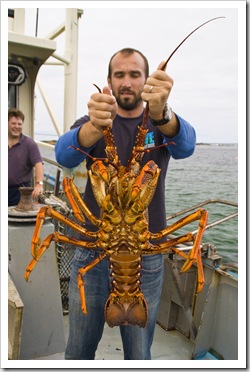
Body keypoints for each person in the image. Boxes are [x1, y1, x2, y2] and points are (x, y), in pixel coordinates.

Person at [55, 48, 196, 360]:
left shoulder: (160, 122)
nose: (127, 81)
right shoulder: (91, 122)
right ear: (109, 81)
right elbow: (63, 155)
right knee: (78, 349)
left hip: (146, 257)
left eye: (135, 74)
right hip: (93, 250)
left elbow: (186, 146)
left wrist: (162, 114)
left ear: (146, 80)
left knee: (138, 353)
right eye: (120, 74)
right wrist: (93, 127)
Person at [8, 108, 44, 206]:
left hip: (21, 193)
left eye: (19, 124)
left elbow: (38, 163)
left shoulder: (29, 144)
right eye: (13, 123)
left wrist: (39, 184)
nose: (17, 126)